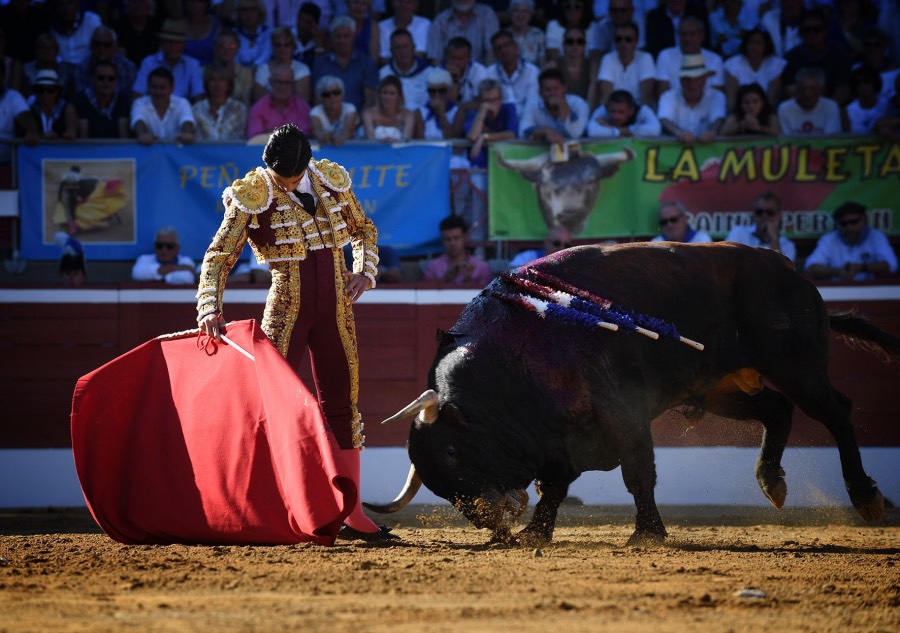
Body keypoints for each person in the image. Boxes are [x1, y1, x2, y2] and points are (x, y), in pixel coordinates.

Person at [196, 123, 395, 542]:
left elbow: (365, 230)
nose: (282, 183)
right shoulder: (253, 193)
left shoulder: (330, 180)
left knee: (344, 404)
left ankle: (352, 512)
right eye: (277, 175)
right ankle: (269, 508)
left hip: (337, 309)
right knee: (271, 410)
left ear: (305, 164)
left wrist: (365, 273)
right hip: (287, 309)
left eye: (289, 177)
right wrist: (209, 306)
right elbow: (218, 256)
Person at [805, 202, 898, 282]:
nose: (849, 227)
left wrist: (861, 268)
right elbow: (811, 268)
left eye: (854, 222)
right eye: (844, 224)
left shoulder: (876, 237)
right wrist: (838, 271)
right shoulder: (829, 239)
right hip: (839, 292)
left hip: (872, 292)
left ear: (864, 219)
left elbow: (891, 266)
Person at [782, 8, 852, 107]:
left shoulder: (839, 56)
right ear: (801, 32)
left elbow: (843, 91)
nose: (812, 34)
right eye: (807, 30)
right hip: (800, 110)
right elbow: (790, 90)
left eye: (817, 30)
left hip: (830, 110)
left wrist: (824, 110)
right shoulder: (791, 58)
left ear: (825, 31)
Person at [312, 16, 378, 111]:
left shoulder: (366, 63)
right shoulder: (321, 64)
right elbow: (317, 100)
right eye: (338, 36)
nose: (342, 40)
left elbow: (370, 101)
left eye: (346, 36)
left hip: (359, 121)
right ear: (331, 38)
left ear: (354, 37)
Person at [657, 53, 726, 144]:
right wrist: (679, 133)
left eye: (696, 79)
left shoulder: (717, 96)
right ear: (680, 80)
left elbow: (718, 119)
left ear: (704, 79)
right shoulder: (668, 96)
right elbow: (664, 120)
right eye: (687, 79)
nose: (692, 85)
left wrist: (711, 132)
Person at [132, 18, 206, 101]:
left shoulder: (192, 64)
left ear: (183, 44)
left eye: (177, 43)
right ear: (162, 42)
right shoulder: (149, 62)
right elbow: (138, 94)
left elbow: (199, 95)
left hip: (183, 111)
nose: (173, 47)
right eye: (169, 42)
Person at [655, 16, 725, 98]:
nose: (687, 39)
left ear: (702, 36)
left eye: (692, 34)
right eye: (683, 34)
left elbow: (717, 97)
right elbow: (662, 95)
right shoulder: (665, 56)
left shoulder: (715, 60)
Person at [518, 67, 589, 144]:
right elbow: (523, 132)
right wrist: (545, 131)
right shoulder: (532, 105)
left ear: (564, 89)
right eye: (547, 90)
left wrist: (563, 106)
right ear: (540, 92)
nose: (552, 94)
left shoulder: (579, 104)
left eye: (556, 89)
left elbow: (576, 133)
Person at [52, 165, 127, 235]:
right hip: (94, 187)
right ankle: (74, 226)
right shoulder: (81, 178)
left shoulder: (65, 178)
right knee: (103, 202)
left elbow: (62, 190)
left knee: (72, 208)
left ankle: (73, 226)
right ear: (78, 172)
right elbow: (81, 190)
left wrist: (60, 199)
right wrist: (82, 198)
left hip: (89, 189)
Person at [723, 28, 785, 112]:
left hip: (766, 113)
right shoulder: (733, 64)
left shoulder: (775, 64)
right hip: (739, 113)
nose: (754, 47)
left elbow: (772, 100)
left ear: (766, 46)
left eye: (759, 43)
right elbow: (732, 99)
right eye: (751, 43)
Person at [131, 66, 197, 144]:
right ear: (148, 88)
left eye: (162, 88)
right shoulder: (139, 103)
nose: (158, 92)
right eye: (154, 87)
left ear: (172, 89)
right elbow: (138, 122)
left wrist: (188, 133)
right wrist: (142, 134)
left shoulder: (182, 103)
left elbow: (187, 122)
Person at [595, 20, 654, 108]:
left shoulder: (645, 58)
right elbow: (606, 96)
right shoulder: (608, 59)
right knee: (593, 121)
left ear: (637, 41)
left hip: (639, 109)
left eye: (628, 39)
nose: (623, 43)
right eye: (619, 39)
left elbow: (646, 97)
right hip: (613, 111)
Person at [725, 191, 796, 263]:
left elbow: (780, 271)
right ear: (754, 213)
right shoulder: (739, 232)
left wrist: (774, 239)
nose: (764, 216)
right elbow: (726, 260)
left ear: (778, 215)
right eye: (759, 212)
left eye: (770, 212)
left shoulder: (787, 245)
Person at [423, 215, 493, 285]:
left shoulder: (482, 267)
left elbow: (488, 294)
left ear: (465, 238)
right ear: (442, 240)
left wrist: (468, 280)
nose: (452, 243)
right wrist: (445, 279)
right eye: (447, 239)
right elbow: (426, 292)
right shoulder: (433, 267)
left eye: (456, 238)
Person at [426, 0, 500, 66]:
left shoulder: (487, 14)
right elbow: (435, 59)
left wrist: (485, 76)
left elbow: (492, 51)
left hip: (481, 72)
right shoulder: (440, 21)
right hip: (449, 73)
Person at [247, 63, 312, 138]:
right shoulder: (258, 108)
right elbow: (255, 139)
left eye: (287, 83)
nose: (282, 87)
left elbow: (305, 137)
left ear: (293, 84)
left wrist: (269, 132)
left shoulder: (303, 108)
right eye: (278, 82)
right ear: (270, 82)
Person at [252, 26, 312, 104]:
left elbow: (302, 102)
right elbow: (259, 99)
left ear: (293, 47)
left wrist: (272, 95)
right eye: (278, 45)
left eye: (286, 45)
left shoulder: (302, 69)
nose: (282, 49)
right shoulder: (263, 69)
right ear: (273, 47)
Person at [73, 26, 137, 99]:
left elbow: (132, 97)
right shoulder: (82, 67)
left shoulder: (128, 67)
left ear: (114, 46)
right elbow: (81, 97)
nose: (101, 49)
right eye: (97, 44)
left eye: (106, 45)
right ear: (91, 46)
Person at [74, 59, 133, 139]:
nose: (106, 82)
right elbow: (83, 137)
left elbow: (124, 137)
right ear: (93, 79)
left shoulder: (123, 100)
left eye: (111, 78)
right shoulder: (81, 100)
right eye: (101, 78)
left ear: (116, 81)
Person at [486, 30, 540, 116]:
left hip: (527, 117)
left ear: (516, 46)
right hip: (499, 118)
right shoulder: (489, 73)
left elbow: (532, 103)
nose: (503, 50)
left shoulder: (532, 71)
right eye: (498, 48)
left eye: (507, 45)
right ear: (494, 53)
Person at [776, 66, 842, 136]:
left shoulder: (831, 107)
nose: (807, 93)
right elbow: (785, 140)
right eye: (803, 88)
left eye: (812, 88)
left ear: (821, 89)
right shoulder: (785, 108)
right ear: (797, 88)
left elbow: (832, 138)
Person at [541, 27, 597, 108]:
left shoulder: (592, 66)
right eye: (570, 42)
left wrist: (586, 113)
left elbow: (593, 95)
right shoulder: (553, 66)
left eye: (580, 42)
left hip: (584, 110)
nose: (575, 45)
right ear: (563, 44)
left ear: (585, 45)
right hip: (557, 109)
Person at [192, 61, 249, 140]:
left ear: (229, 84)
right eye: (213, 80)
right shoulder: (196, 109)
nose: (217, 84)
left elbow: (238, 138)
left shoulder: (239, 109)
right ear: (207, 84)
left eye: (222, 80)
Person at [379, 28, 432, 111]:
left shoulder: (430, 73)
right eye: (398, 48)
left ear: (413, 48)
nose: (403, 51)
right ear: (391, 51)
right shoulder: (383, 74)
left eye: (406, 46)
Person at [362, 75, 419, 142]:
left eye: (392, 94)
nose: (388, 98)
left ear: (399, 97)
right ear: (379, 95)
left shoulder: (408, 115)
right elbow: (370, 140)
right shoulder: (368, 114)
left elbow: (406, 141)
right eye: (384, 93)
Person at [132, 226, 197, 284]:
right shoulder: (144, 259)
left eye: (169, 246)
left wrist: (156, 274)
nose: (164, 250)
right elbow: (137, 274)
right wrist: (175, 268)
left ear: (177, 248)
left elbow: (186, 278)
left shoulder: (186, 261)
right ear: (155, 247)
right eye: (160, 245)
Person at [27, 69, 78, 141]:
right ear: (35, 91)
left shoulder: (66, 108)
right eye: (40, 90)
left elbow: (71, 131)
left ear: (57, 91)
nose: (45, 94)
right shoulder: (30, 108)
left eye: (50, 90)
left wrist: (66, 135)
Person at [587, 88, 660, 137]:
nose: (615, 116)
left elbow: (655, 130)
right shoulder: (603, 109)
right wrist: (623, 132)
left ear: (631, 111)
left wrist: (610, 128)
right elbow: (592, 132)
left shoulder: (642, 111)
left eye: (621, 112)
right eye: (612, 111)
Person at [49, 0, 103, 65]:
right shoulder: (51, 25)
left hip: (88, 68)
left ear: (77, 3)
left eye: (69, 3)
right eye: (61, 4)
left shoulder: (91, 19)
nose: (66, 8)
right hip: (60, 69)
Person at [309, 75, 359, 145]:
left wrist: (341, 138)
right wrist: (324, 137)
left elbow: (348, 132)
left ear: (342, 94)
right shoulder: (315, 112)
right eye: (326, 94)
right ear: (320, 98)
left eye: (336, 92)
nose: (332, 97)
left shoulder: (350, 109)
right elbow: (318, 133)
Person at [416, 67, 462, 140]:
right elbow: (420, 142)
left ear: (449, 91)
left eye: (442, 91)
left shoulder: (457, 112)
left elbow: (454, 142)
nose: (437, 95)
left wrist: (442, 115)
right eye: (432, 91)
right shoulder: (420, 112)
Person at [843, 65, 889, 134]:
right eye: (858, 84)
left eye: (866, 82)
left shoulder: (887, 105)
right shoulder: (847, 111)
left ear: (875, 83)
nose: (862, 86)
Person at [507, 225, 573, 268]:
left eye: (566, 245)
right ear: (546, 242)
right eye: (557, 243)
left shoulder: (572, 264)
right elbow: (508, 271)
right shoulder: (529, 256)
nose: (561, 248)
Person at [233, 0, 274, 67]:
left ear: (260, 12)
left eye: (252, 9)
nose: (248, 14)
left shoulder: (270, 34)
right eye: (244, 10)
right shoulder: (233, 35)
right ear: (238, 13)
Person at [507, 0, 545, 66]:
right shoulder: (504, 35)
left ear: (531, 15)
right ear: (510, 14)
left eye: (525, 11)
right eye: (516, 11)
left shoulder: (538, 34)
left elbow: (542, 60)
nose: (520, 15)